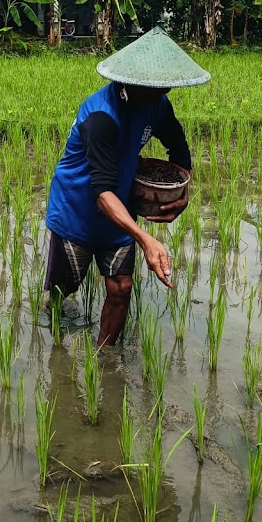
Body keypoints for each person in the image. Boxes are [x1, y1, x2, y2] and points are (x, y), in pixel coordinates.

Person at [44, 28, 210, 346]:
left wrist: (184, 190)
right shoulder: (101, 117)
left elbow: (178, 147)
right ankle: (56, 350)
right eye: (158, 87)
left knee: (121, 287)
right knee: (63, 289)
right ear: (133, 84)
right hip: (77, 211)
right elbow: (101, 192)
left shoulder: (157, 104)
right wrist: (147, 239)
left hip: (120, 208)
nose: (166, 92)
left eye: (167, 86)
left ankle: (103, 357)